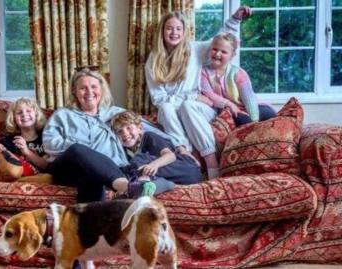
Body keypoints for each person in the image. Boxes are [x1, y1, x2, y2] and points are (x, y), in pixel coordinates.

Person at [145, 6, 252, 179]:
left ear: (184, 31)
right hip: (176, 111)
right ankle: (183, 151)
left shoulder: (195, 50)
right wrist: (192, 96)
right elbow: (158, 99)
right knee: (164, 108)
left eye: (178, 29)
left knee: (187, 106)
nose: (174, 33)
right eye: (170, 28)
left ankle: (211, 163)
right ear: (162, 31)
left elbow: (221, 40)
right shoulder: (153, 60)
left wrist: (235, 19)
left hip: (197, 110)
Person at [43, 66, 156, 203]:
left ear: (101, 90)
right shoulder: (63, 115)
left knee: (91, 176)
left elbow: (146, 127)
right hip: (68, 168)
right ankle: (125, 186)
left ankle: (91, 223)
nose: (89, 92)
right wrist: (84, 151)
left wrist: (180, 146)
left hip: (108, 170)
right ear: (74, 92)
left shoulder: (115, 114)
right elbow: (49, 143)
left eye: (94, 87)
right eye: (83, 88)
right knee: (77, 149)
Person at [110, 111, 202, 192]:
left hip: (186, 169)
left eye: (129, 128)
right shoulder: (125, 151)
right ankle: (160, 184)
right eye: (120, 132)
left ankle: (142, 182)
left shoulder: (148, 137)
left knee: (138, 159)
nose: (125, 134)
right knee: (126, 169)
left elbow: (170, 156)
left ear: (140, 128)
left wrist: (154, 165)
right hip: (172, 177)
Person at [200, 32, 276, 126]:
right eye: (215, 49)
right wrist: (229, 105)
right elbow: (210, 94)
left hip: (252, 107)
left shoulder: (238, 73)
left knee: (270, 116)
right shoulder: (204, 72)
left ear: (232, 55)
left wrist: (254, 120)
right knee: (243, 121)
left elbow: (249, 99)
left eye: (224, 52)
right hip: (231, 108)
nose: (218, 54)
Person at [0, 97, 48, 181]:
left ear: (36, 114)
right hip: (9, 171)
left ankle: (17, 181)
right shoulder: (9, 141)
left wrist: (26, 152)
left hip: (32, 177)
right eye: (19, 113)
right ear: (13, 119)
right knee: (11, 166)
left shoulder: (45, 138)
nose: (24, 114)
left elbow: (45, 166)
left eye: (28, 111)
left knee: (49, 178)